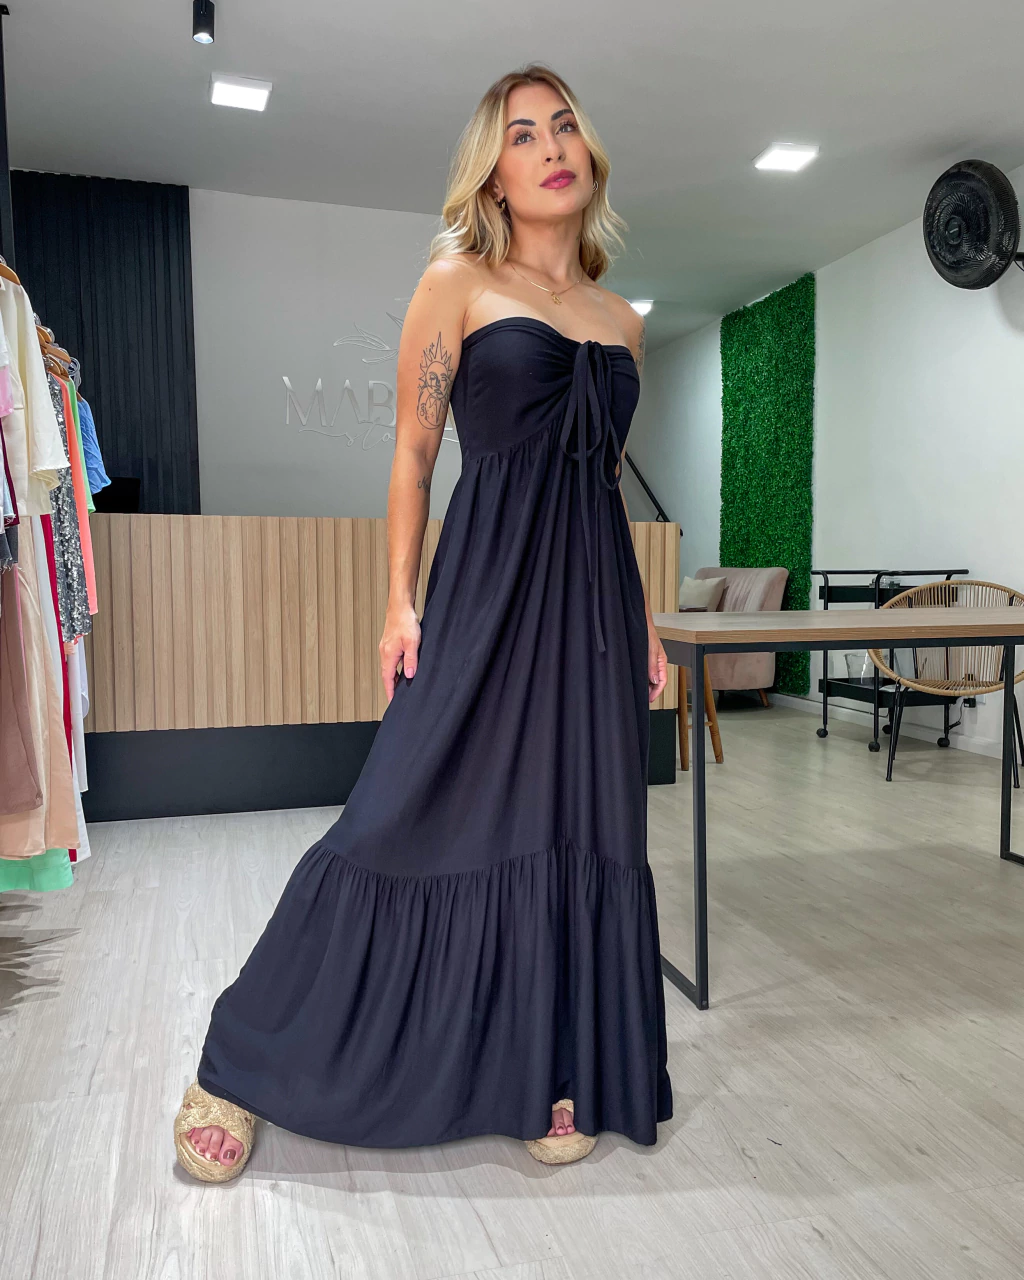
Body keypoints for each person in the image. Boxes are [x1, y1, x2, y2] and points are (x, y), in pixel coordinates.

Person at [173, 61, 673, 1183]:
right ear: (492, 174)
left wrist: (639, 619)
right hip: (487, 591)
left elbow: (603, 483)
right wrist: (400, 597)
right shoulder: (456, 282)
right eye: (521, 134)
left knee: (577, 827)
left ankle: (555, 1065)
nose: (550, 146)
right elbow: (411, 452)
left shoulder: (621, 322)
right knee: (392, 815)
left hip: (593, 608)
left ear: (587, 152)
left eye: (563, 126)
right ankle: (244, 1057)